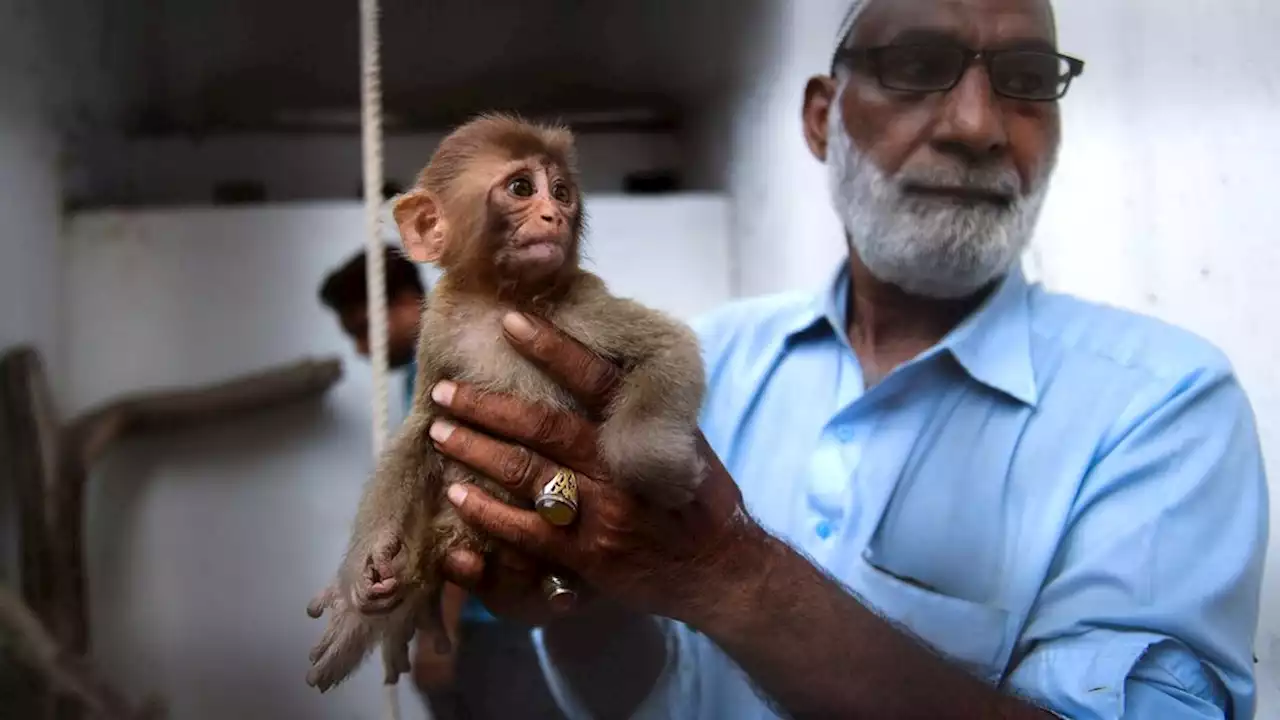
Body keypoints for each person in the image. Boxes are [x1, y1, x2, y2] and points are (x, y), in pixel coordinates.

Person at [419, 0, 1270, 718]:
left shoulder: (1166, 405)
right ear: (822, 117)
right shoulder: (709, 358)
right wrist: (580, 597)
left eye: (1024, 79)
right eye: (917, 63)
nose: (977, 125)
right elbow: (665, 698)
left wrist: (732, 576)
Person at [318, 245, 565, 719]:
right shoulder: (426, 371)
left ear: (407, 301)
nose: (362, 350)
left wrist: (440, 634)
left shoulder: (449, 369)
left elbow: (463, 504)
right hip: (490, 618)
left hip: (495, 621)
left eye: (364, 329)